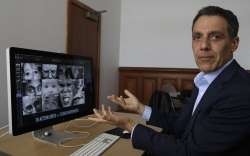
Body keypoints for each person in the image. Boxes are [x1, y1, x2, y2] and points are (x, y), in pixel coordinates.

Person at [88, 6, 250, 156]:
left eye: (215, 37)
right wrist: (141, 108)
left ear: (234, 44)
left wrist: (129, 124)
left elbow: (190, 152)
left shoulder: (241, 91)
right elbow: (181, 124)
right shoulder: (204, 80)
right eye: (197, 37)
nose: (203, 46)